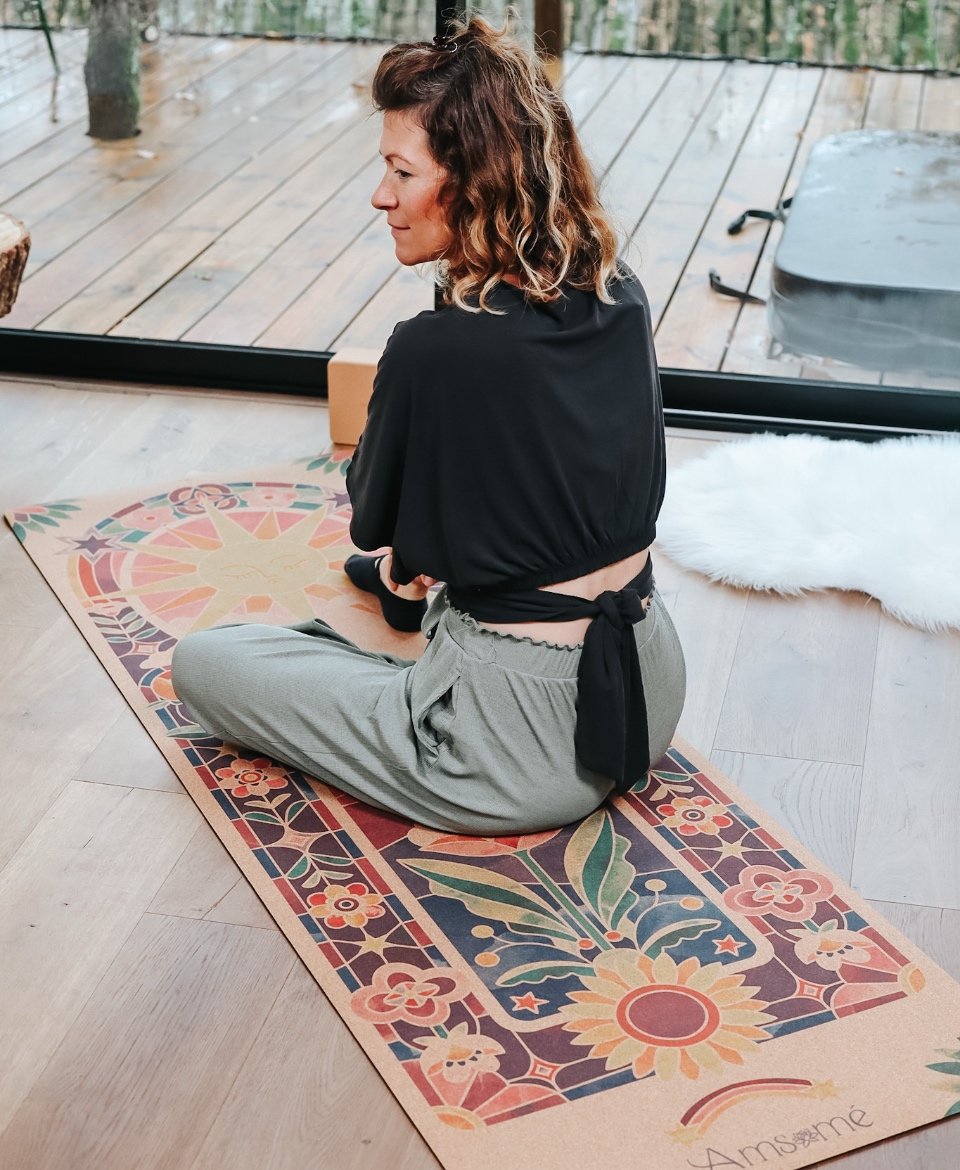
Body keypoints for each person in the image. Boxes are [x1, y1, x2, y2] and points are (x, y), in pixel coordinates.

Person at [171, 16, 686, 836]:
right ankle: (412, 611)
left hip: (512, 754)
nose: (382, 196)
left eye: (401, 172)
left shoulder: (432, 348)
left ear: (475, 182)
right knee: (442, 563)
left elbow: (373, 519)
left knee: (205, 662)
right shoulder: (619, 293)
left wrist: (408, 556)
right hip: (651, 688)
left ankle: (405, 638)